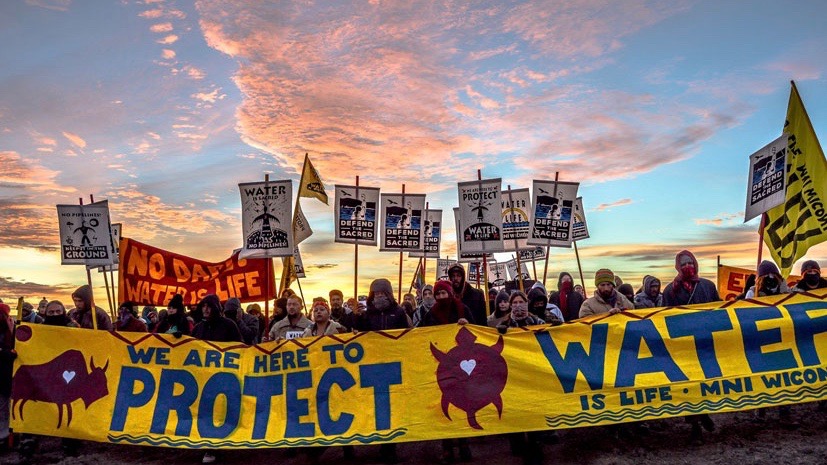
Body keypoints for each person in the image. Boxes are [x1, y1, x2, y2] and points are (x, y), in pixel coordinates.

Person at [661, 250, 720, 443]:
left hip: (705, 343)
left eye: (690, 263)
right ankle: (695, 426)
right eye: (684, 264)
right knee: (689, 385)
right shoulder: (670, 290)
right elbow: (664, 317)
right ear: (678, 266)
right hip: (684, 346)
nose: (688, 267)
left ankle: (703, 414)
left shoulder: (708, 286)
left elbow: (719, 310)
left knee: (704, 383)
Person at [352, 279, 409, 463]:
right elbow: (360, 333)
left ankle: (389, 447)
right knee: (378, 409)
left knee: (393, 409)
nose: (379, 296)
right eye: (376, 294)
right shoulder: (368, 314)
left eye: (382, 293)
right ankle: (379, 440)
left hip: (393, 366)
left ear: (389, 294)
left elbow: (408, 335)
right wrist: (357, 318)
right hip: (373, 366)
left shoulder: (399, 312)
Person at [191, 295, 242, 464]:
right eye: (203, 306)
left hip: (224, 377)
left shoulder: (229, 325)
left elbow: (240, 348)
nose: (205, 309)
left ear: (216, 307)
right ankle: (208, 446)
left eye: (209, 306)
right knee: (206, 411)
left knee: (221, 412)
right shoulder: (198, 328)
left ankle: (218, 445)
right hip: (203, 377)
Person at [0, 303, 16, 447]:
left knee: (10, 407)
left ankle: (9, 436)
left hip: (10, 375)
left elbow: (18, 348)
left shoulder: (12, 330)